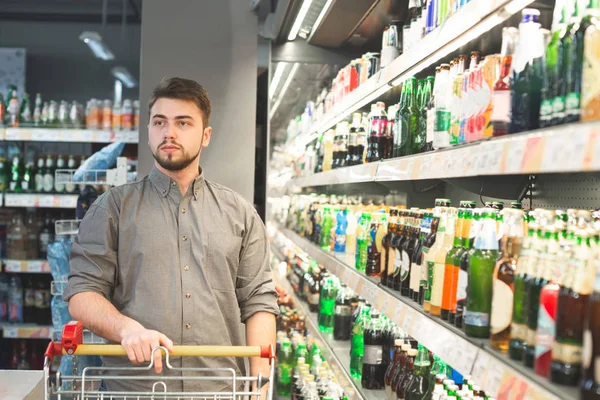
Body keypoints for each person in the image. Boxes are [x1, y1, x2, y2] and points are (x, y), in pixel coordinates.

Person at [63, 77, 279, 396]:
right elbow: (81, 294)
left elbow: (259, 301)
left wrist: (260, 388)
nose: (169, 133)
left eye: (183, 122)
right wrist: (127, 329)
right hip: (135, 391)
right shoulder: (111, 209)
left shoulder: (240, 213)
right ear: (149, 131)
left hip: (219, 390)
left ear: (205, 135)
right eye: (159, 122)